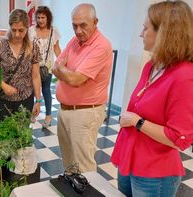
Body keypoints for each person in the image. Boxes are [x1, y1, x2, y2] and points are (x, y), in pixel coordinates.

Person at [111, 1, 193, 196]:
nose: (141, 34)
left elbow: (179, 139)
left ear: (164, 34)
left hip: (153, 171)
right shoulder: (152, 66)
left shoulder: (184, 76)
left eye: (145, 28)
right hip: (129, 158)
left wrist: (137, 122)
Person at [52, 3, 113, 173]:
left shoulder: (101, 46)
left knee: (84, 168)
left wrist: (64, 71)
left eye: (83, 25)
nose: (78, 30)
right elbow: (54, 66)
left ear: (95, 22)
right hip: (65, 110)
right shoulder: (75, 40)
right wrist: (66, 72)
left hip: (85, 112)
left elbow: (75, 78)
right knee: (69, 165)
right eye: (74, 25)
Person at [0, 9, 42, 121]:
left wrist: (38, 100)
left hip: (25, 99)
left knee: (22, 135)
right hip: (4, 99)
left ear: (28, 28)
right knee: (4, 135)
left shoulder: (33, 47)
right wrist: (3, 85)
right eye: (14, 30)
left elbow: (36, 76)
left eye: (21, 30)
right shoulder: (0, 44)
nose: (17, 34)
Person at [29, 6, 61, 128]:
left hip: (47, 66)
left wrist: (62, 62)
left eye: (43, 17)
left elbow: (57, 48)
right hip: (32, 67)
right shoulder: (31, 31)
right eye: (38, 17)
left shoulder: (54, 31)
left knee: (46, 90)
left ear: (48, 18)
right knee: (32, 91)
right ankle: (32, 113)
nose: (41, 20)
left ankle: (48, 116)